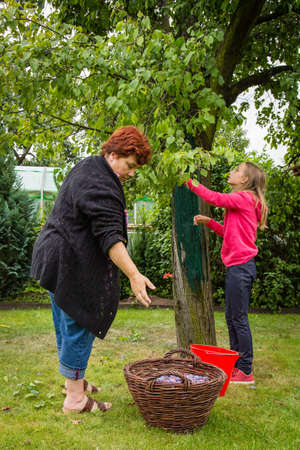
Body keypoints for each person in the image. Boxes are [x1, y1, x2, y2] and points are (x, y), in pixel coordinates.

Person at [31, 126, 155, 413]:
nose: (132, 173)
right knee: (79, 321)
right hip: (69, 263)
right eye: (130, 165)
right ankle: (75, 399)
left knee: (66, 320)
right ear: (113, 155)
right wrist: (134, 275)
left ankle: (75, 382)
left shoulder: (89, 167)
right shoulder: (101, 183)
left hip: (55, 258)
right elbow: (110, 236)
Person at [186, 162, 268, 384]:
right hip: (238, 267)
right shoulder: (243, 203)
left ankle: (245, 370)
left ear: (244, 180)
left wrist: (189, 182)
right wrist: (210, 221)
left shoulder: (244, 198)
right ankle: (236, 365)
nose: (231, 172)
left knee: (238, 319)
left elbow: (215, 198)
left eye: (236, 170)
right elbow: (229, 233)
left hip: (241, 267)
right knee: (232, 317)